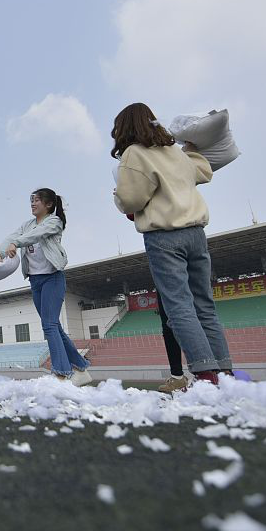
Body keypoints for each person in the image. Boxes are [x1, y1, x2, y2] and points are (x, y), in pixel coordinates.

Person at [111, 102, 232, 386]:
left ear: (124, 128)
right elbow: (203, 171)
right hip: (196, 234)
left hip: (164, 236)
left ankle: (205, 374)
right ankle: (225, 371)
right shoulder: (175, 153)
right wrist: (190, 146)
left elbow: (131, 200)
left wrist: (117, 196)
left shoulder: (134, 154)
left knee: (178, 308)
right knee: (205, 305)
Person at [0, 189, 93, 385]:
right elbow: (12, 236)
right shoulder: (26, 225)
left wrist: (16, 243)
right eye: (31, 201)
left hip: (52, 278)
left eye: (37, 201)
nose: (32, 204)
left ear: (48, 205)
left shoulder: (54, 222)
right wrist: (0, 253)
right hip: (35, 280)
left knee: (49, 325)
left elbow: (36, 235)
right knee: (54, 325)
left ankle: (61, 373)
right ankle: (81, 368)